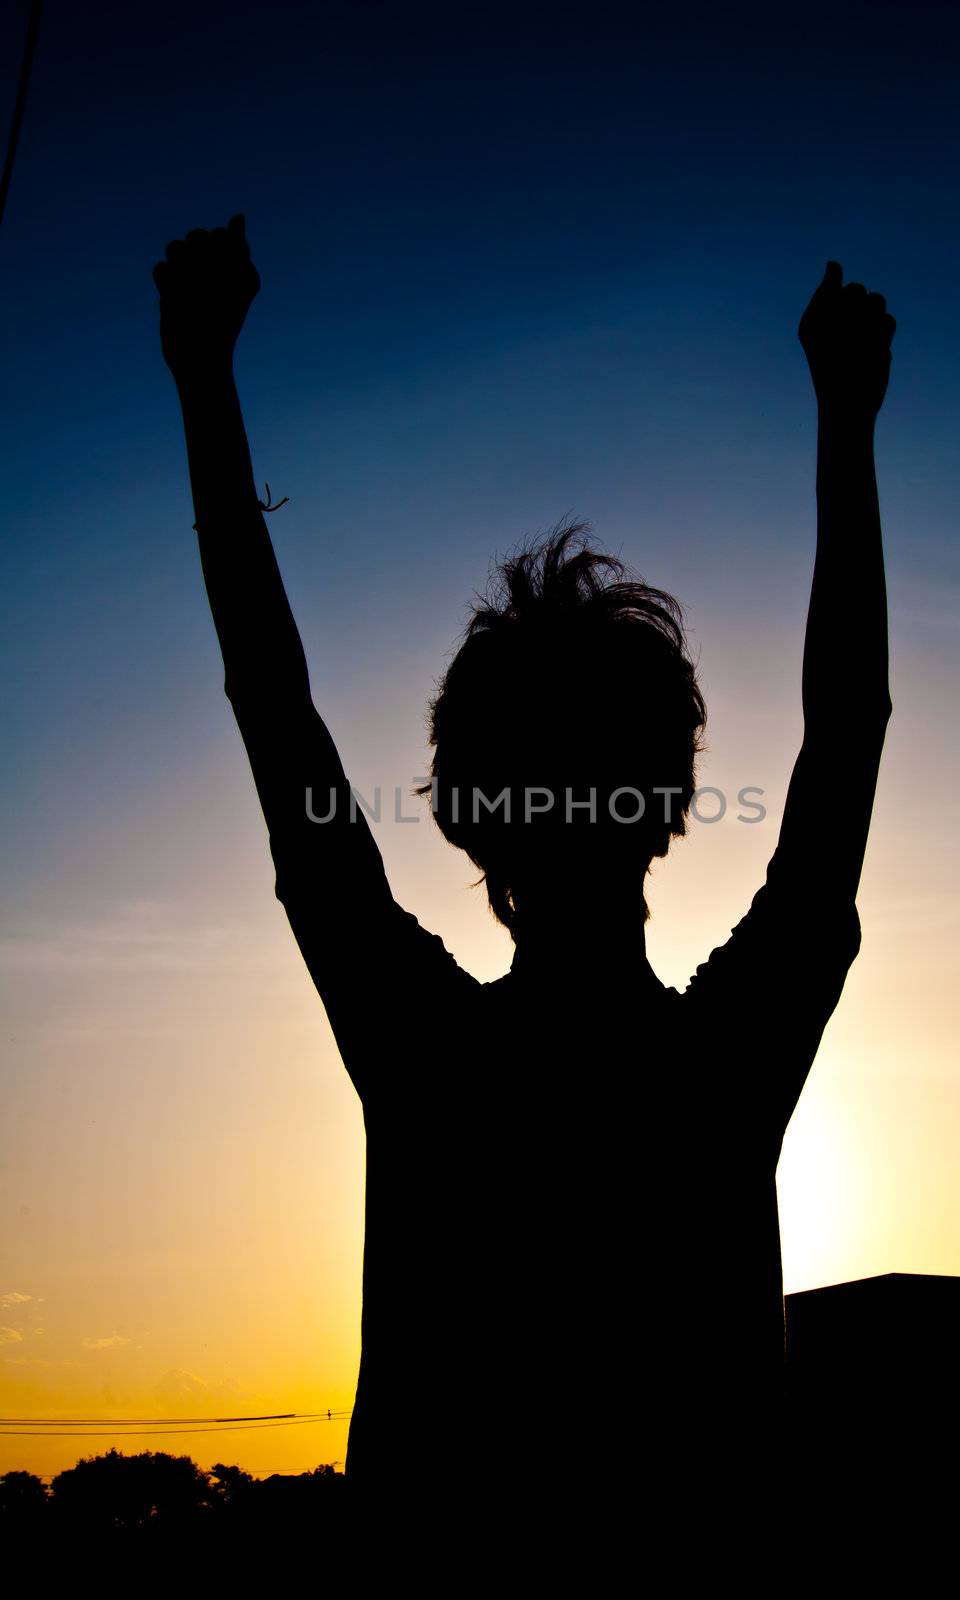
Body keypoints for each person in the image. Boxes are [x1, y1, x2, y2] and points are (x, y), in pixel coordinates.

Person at [153, 219, 893, 1565]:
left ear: (462, 813)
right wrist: (847, 424)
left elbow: (272, 707)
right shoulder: (724, 1059)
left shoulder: (427, 1049)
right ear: (669, 799)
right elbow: (848, 733)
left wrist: (204, 381)